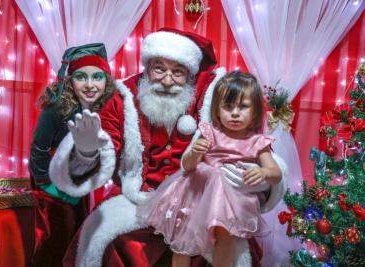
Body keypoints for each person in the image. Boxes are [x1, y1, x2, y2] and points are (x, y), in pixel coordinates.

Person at [49, 28, 287, 267]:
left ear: (190, 74)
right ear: (147, 67)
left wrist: (258, 178)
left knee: (229, 248)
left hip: (202, 196)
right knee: (104, 242)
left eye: (178, 72)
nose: (167, 79)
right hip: (137, 198)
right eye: (159, 68)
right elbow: (105, 142)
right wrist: (86, 151)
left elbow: (251, 145)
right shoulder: (123, 96)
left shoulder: (211, 94)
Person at [136, 71, 282, 267]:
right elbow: (187, 166)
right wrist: (195, 154)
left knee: (225, 239)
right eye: (228, 107)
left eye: (243, 106)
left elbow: (276, 173)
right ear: (217, 109)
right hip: (197, 194)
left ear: (255, 112)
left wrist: (264, 172)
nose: (235, 113)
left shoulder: (257, 142)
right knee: (182, 241)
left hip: (230, 201)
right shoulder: (210, 133)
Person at [29, 43, 116, 266]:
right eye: (81, 77)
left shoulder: (103, 106)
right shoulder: (56, 107)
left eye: (97, 77)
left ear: (106, 80)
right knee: (55, 239)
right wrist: (48, 187)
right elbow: (38, 150)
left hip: (78, 183)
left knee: (77, 237)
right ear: (69, 80)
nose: (89, 85)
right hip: (50, 186)